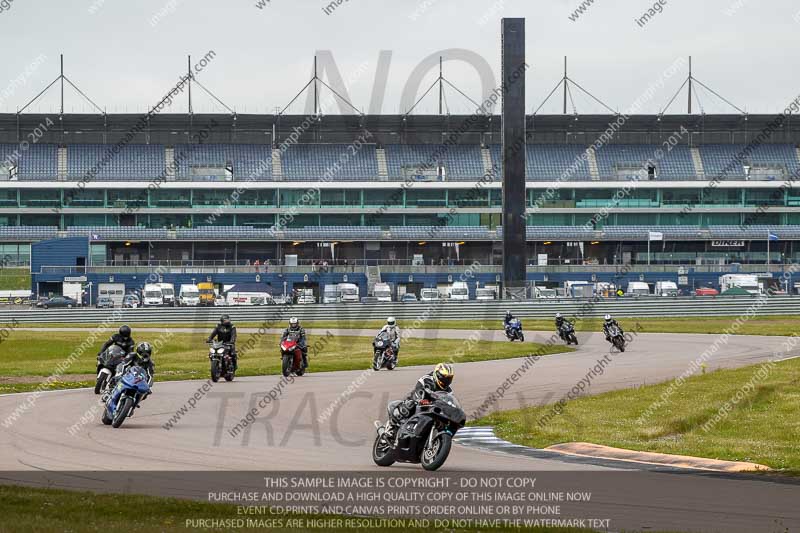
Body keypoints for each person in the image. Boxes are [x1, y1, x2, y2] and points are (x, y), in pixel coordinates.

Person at [385, 363, 454, 438]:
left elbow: (449, 402)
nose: (446, 380)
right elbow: (418, 391)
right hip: (417, 400)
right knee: (410, 404)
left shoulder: (449, 391)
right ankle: (392, 427)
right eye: (444, 378)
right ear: (437, 375)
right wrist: (421, 400)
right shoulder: (426, 379)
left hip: (433, 407)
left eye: (449, 378)